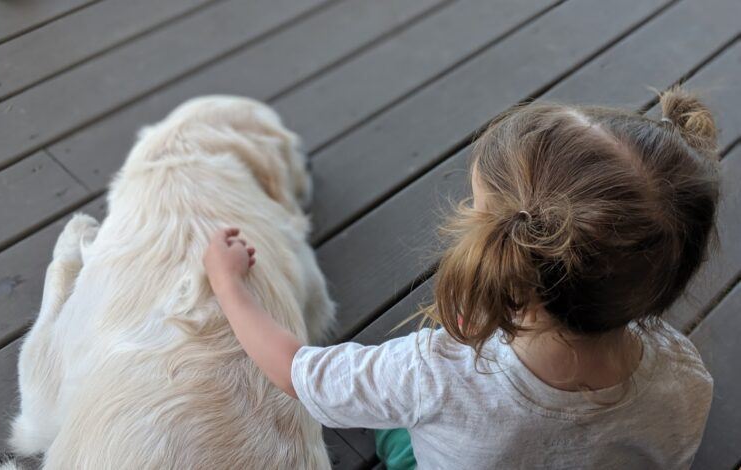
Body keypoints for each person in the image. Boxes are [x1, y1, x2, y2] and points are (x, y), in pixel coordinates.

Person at [203, 88, 719, 469]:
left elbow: (295, 372)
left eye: (478, 209)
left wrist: (229, 286)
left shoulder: (436, 373)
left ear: (511, 257)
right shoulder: (684, 378)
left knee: (397, 434)